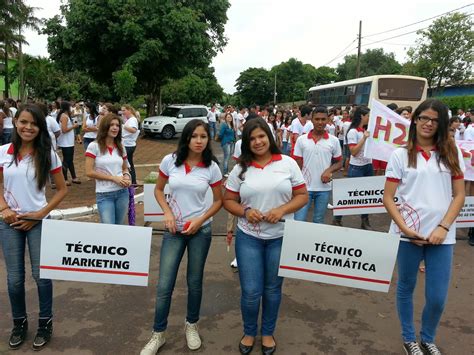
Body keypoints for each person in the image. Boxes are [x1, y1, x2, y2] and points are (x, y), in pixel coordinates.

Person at [383, 99, 465, 355]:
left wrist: (442, 227)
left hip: (442, 237)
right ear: (415, 120)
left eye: (435, 120)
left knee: (437, 297)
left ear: (441, 124)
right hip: (408, 236)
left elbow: (459, 195)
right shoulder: (400, 154)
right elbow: (388, 197)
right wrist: (405, 229)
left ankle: (427, 337)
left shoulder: (452, 152)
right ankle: (409, 338)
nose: (428, 124)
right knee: (406, 288)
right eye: (423, 118)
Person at [223, 118, 308, 355]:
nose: (258, 142)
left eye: (261, 136)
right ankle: (250, 332)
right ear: (246, 143)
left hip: (281, 237)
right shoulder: (240, 169)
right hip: (249, 237)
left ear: (269, 137)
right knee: (251, 292)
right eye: (252, 138)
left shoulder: (288, 163)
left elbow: (302, 196)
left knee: (272, 289)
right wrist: (245, 212)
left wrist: (281, 210)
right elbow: (227, 200)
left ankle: (268, 332)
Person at [140, 119, 222, 354]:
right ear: (186, 137)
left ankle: (191, 325)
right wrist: (166, 212)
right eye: (194, 136)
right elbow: (158, 189)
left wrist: (199, 221)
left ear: (208, 140)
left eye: (203, 137)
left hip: (200, 231)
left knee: (194, 282)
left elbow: (219, 201)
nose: (198, 141)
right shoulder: (170, 161)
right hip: (173, 231)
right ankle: (158, 334)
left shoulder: (211, 167)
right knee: (165, 284)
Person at [0, 104, 67, 351]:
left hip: (38, 223)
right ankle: (19, 323)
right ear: (15, 122)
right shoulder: (2, 152)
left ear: (40, 128)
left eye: (34, 124)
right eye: (24, 122)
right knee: (15, 280)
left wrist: (39, 215)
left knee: (41, 277)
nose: (29, 127)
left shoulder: (48, 155)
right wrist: (4, 209)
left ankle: (45, 323)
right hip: (8, 223)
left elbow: (62, 190)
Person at [293, 106, 342, 224]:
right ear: (312, 120)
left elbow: (339, 162)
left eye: (323, 119)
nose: (320, 122)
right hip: (303, 188)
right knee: (299, 221)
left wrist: (329, 171)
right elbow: (296, 164)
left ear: (327, 120)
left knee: (318, 221)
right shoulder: (301, 140)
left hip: (324, 188)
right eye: (317, 119)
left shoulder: (333, 140)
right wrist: (293, 185)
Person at [85, 113, 131, 224]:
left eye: (117, 125)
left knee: (119, 227)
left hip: (122, 193)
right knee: (108, 230)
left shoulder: (121, 146)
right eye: (111, 125)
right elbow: (89, 172)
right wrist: (113, 178)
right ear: (105, 127)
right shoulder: (94, 146)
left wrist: (127, 177)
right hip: (104, 194)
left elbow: (125, 168)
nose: (115, 128)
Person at [333, 106, 373, 229]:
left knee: (367, 195)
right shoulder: (353, 132)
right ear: (362, 116)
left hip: (368, 165)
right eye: (368, 116)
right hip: (357, 167)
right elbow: (353, 152)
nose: (369, 118)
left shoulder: (366, 130)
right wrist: (364, 138)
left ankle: (365, 220)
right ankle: (337, 218)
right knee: (349, 194)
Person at [56, 101, 81, 186]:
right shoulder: (64, 116)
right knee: (67, 160)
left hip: (68, 142)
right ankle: (65, 178)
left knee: (69, 160)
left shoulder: (64, 115)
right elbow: (64, 130)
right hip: (66, 142)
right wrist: (74, 126)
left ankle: (74, 177)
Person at [121, 105, 140, 186]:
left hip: (128, 144)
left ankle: (132, 182)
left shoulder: (132, 120)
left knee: (127, 163)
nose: (123, 112)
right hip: (128, 143)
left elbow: (133, 130)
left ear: (129, 110)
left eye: (124, 110)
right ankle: (133, 181)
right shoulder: (131, 119)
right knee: (129, 163)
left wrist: (124, 126)